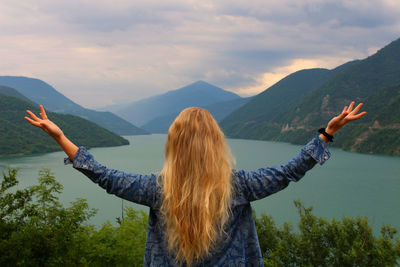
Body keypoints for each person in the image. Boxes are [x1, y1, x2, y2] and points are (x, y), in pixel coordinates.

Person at [25, 102, 366, 266]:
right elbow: (290, 170)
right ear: (216, 144)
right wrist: (327, 133)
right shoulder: (240, 186)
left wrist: (61, 137)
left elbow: (104, 176)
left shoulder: (158, 190)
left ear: (173, 144)